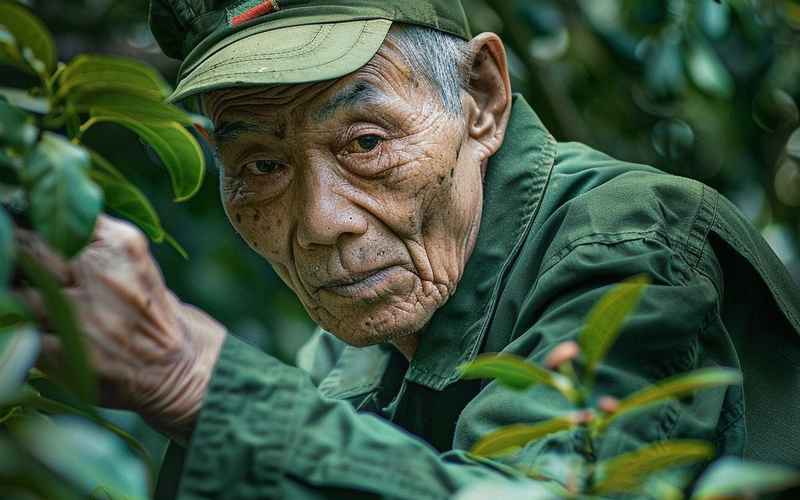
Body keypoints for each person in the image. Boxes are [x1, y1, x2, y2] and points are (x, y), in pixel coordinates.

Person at [22, 0, 800, 498]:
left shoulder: (634, 239)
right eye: (261, 165)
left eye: (364, 140)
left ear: (483, 99)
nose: (323, 220)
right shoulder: (353, 356)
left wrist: (198, 379)